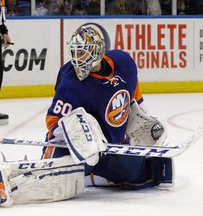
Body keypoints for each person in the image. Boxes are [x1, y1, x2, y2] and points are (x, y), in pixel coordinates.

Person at [42, 25, 173, 189]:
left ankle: (91, 178)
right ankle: (83, 174)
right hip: (73, 148)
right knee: (52, 180)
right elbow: (53, 121)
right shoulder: (71, 81)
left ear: (97, 51)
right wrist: (83, 139)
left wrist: (143, 119)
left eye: (81, 53)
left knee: (141, 174)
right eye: (74, 53)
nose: (76, 59)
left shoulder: (123, 63)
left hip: (110, 147)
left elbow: (135, 97)